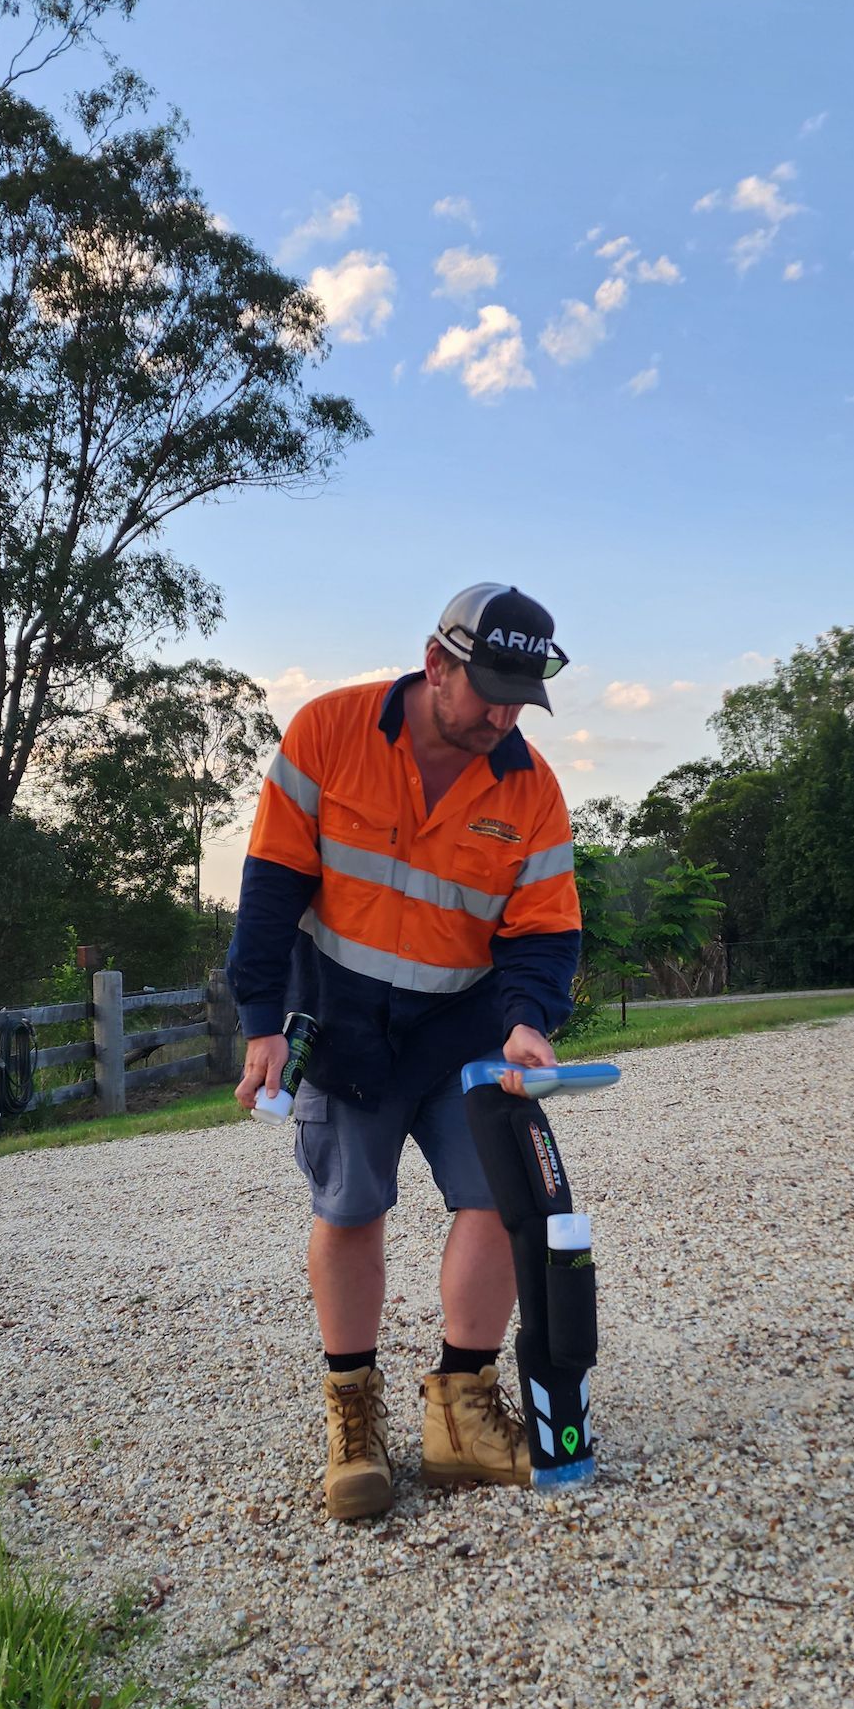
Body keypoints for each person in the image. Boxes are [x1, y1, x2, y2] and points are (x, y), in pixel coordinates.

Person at [229, 583, 581, 1520]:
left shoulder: (531, 788)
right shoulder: (329, 732)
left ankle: (462, 1412)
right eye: (490, 689)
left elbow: (542, 932)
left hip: (465, 1025)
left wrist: (529, 1017)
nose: (504, 713)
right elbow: (269, 887)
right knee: (350, 1207)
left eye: (522, 694)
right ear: (438, 663)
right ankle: (353, 1416)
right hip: (343, 1018)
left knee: (505, 1195)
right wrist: (263, 1019)